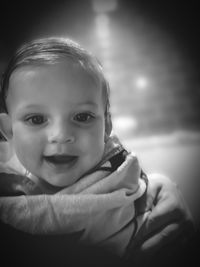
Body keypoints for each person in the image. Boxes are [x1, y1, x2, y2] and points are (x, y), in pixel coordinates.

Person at [0, 37, 194, 266]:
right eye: (36, 119)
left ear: (107, 127)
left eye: (82, 117)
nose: (61, 135)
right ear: (8, 129)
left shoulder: (121, 178)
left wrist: (156, 182)